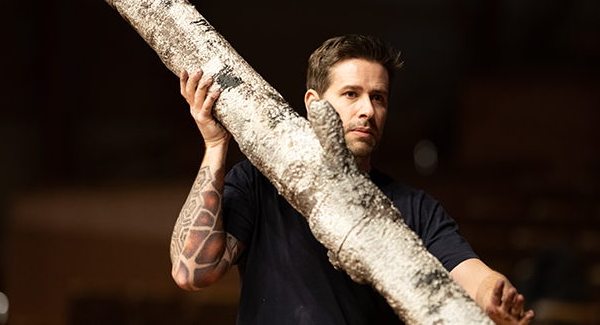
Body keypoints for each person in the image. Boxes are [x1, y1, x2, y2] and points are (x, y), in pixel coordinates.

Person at [170, 34, 534, 325]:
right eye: (351, 94)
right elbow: (192, 272)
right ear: (313, 103)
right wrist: (215, 145)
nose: (368, 111)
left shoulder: (414, 207)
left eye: (379, 98)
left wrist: (494, 296)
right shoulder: (259, 181)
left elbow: (471, 276)